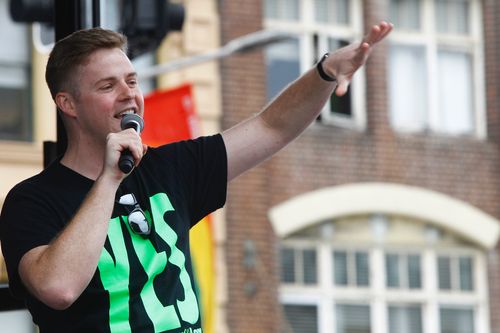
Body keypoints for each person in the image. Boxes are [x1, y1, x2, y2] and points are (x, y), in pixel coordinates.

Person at [0, 21, 392, 333]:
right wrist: (108, 179)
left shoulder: (173, 167)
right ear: (67, 103)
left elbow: (273, 127)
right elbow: (58, 288)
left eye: (132, 81)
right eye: (108, 85)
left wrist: (324, 73)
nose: (129, 95)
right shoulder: (31, 201)